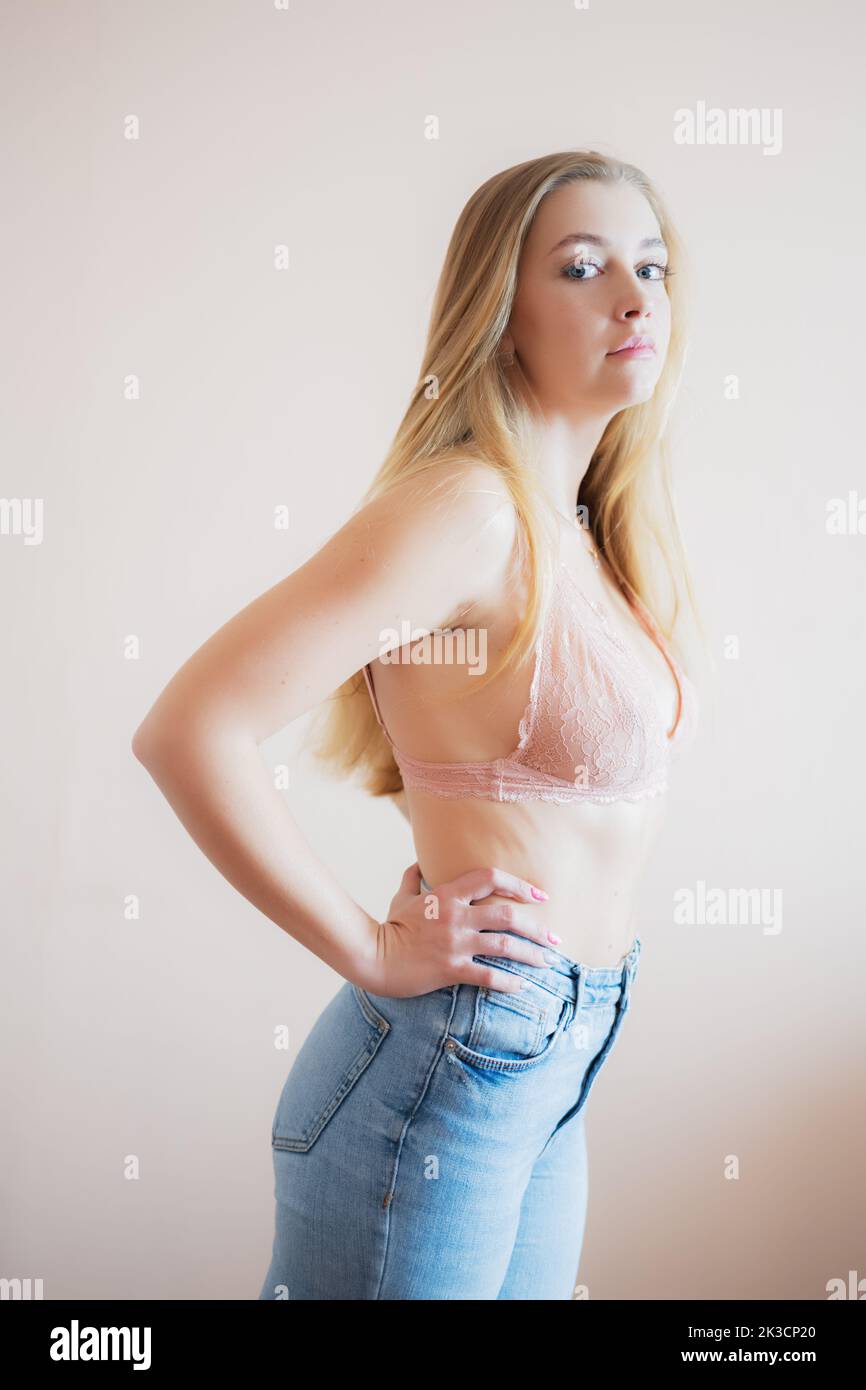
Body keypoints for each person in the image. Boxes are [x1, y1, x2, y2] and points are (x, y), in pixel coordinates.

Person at [132, 150, 703, 1299]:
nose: (632, 296)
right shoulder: (469, 509)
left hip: (555, 1061)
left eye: (649, 265)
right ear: (499, 312)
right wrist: (368, 946)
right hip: (455, 1066)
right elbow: (189, 728)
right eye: (582, 267)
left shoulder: (586, 531)